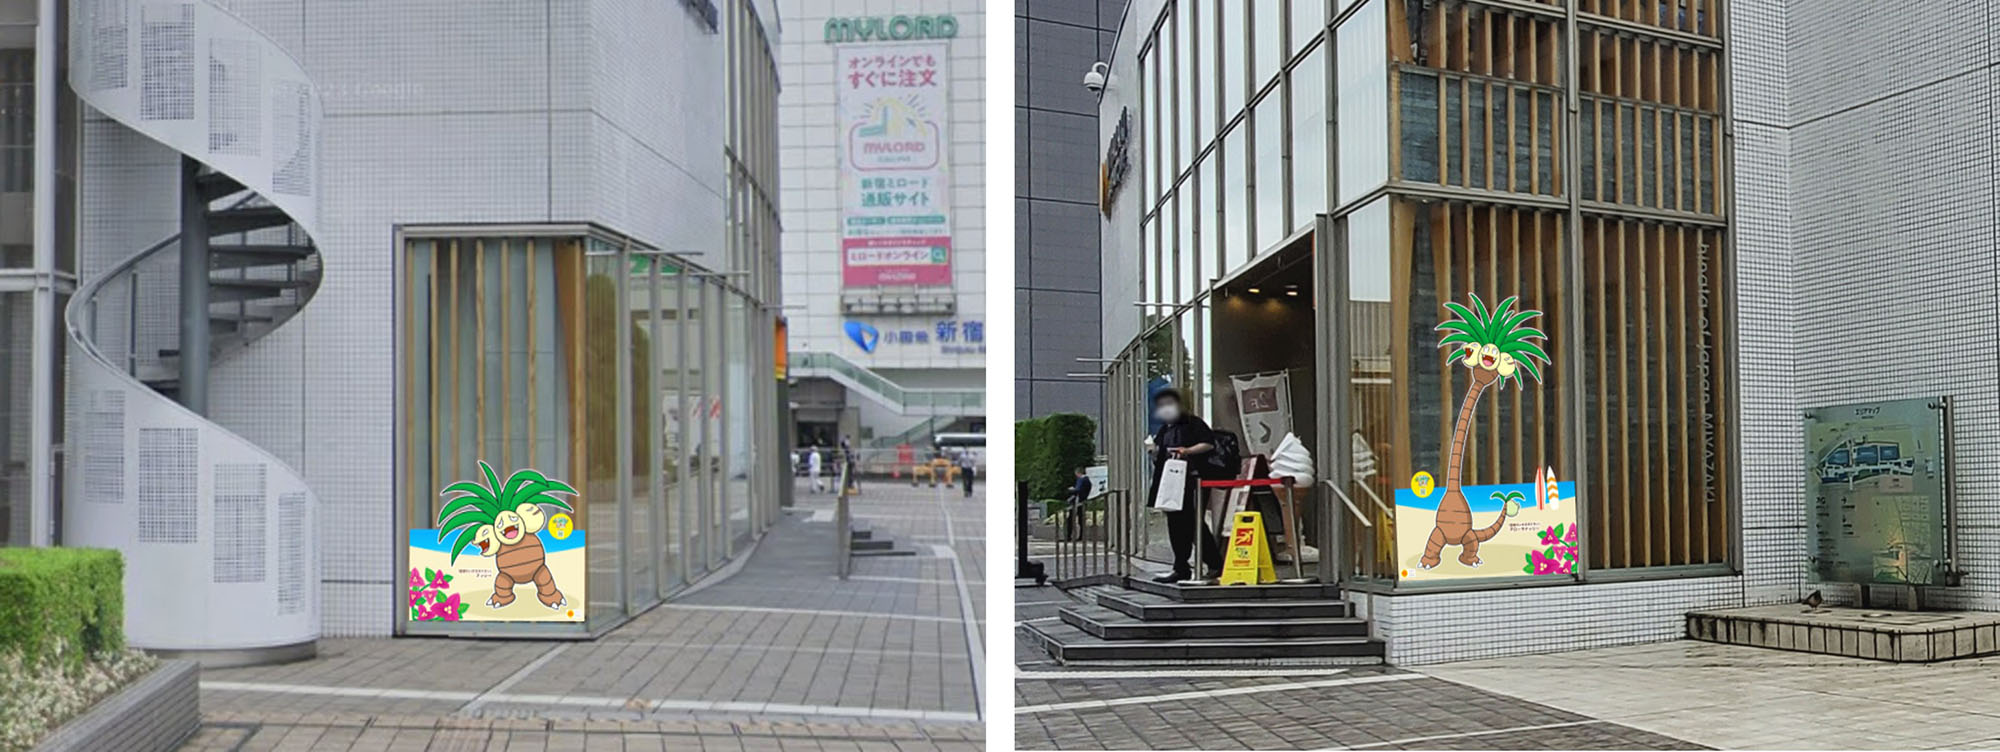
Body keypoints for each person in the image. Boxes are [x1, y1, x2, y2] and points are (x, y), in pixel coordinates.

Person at [1147, 388, 1221, 583]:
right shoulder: (1165, 429)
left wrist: (1187, 451)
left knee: (1193, 523)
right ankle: (1181, 566)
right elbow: (1160, 455)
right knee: (1176, 524)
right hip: (1170, 482)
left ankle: (1213, 562)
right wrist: (1154, 452)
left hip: (1192, 480)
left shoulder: (1193, 423)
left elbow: (1208, 443)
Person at [1064, 467, 1092, 541]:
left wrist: (1072, 490)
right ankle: (1080, 536)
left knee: (1072, 519)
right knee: (1080, 519)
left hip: (1078, 502)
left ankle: (1069, 536)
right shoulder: (1087, 480)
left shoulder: (1082, 480)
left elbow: (1078, 490)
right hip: (1081, 501)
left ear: (1078, 473)